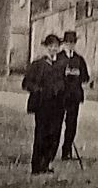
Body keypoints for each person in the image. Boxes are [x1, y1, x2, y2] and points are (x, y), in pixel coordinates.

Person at [22, 35, 70, 174]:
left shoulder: (62, 65)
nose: (53, 49)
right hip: (43, 105)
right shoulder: (37, 65)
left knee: (55, 134)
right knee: (42, 134)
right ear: (46, 47)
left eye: (56, 46)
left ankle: (47, 162)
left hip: (58, 106)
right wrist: (39, 90)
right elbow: (26, 83)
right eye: (50, 46)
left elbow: (67, 84)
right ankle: (37, 165)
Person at [58, 30, 92, 160]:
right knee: (57, 124)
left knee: (71, 124)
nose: (70, 45)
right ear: (64, 44)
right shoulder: (59, 58)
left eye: (72, 42)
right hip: (60, 96)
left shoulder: (79, 59)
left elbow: (86, 77)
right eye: (68, 42)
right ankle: (51, 149)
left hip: (74, 96)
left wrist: (78, 74)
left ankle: (66, 151)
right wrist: (64, 74)